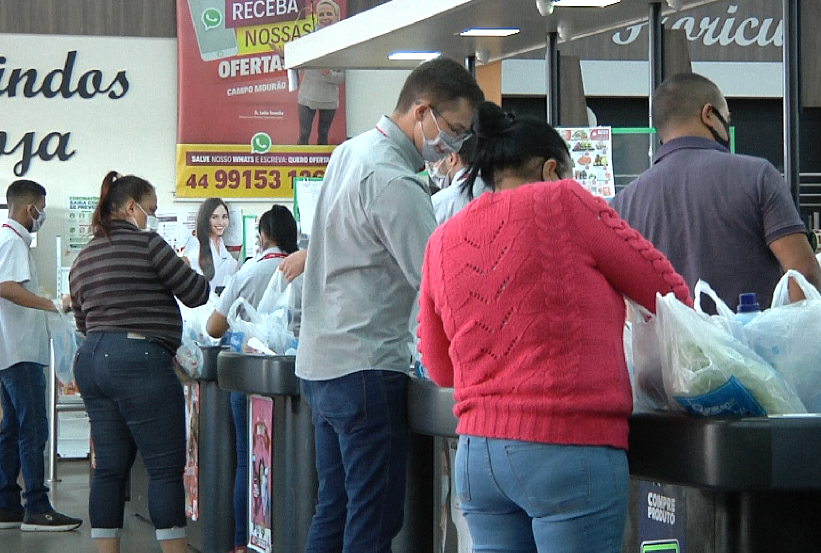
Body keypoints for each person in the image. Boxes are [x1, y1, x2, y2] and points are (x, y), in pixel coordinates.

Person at [417, 102, 693, 553]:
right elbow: (667, 291)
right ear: (551, 169)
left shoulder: (443, 239)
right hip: (568, 448)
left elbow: (440, 369)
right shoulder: (564, 201)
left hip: (478, 458)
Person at [296, 57, 484, 552]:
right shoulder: (395, 181)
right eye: (455, 129)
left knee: (333, 510)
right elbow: (438, 283)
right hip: (366, 369)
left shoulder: (350, 152)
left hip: (321, 365)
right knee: (374, 520)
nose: (456, 145)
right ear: (422, 112)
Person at [70, 171, 210, 553]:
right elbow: (197, 293)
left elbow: (84, 323)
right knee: (164, 470)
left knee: (110, 470)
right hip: (140, 360)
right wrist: (187, 261)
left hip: (93, 362)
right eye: (151, 210)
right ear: (131, 208)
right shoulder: (148, 244)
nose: (152, 218)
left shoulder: (83, 258)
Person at [611, 72, 821, 310]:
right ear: (709, 114)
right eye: (726, 119)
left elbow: (626, 304)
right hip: (752, 346)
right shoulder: (757, 175)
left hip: (665, 347)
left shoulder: (622, 204)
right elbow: (804, 276)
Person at [205, 204, 300, 553]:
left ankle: (243, 542)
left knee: (252, 462)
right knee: (298, 461)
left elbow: (214, 327)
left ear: (262, 236)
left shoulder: (248, 273)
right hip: (298, 379)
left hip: (250, 379)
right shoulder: (306, 271)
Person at [0, 179, 82, 532]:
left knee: (12, 429)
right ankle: (37, 505)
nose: (42, 215)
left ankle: (6, 504)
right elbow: (6, 287)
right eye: (41, 209)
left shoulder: (11, 240)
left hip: (12, 350)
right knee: (33, 429)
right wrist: (52, 304)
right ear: (29, 207)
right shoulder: (12, 241)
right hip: (20, 352)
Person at [297, 0, 344, 145]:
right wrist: (285, 57)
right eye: (321, 14)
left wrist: (328, 74)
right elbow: (295, 67)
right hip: (307, 97)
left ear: (337, 17)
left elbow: (342, 78)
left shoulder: (344, 41)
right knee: (304, 135)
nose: (324, 17)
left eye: (329, 14)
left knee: (323, 135)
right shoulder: (307, 39)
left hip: (329, 100)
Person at [430, 134, 489, 224]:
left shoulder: (440, 203)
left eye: (437, 157)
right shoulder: (497, 187)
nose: (433, 166)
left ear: (451, 158)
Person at [183, 198, 238, 291]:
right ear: (205, 219)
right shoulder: (195, 243)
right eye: (215, 217)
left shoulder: (221, 245)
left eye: (224, 217)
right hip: (203, 303)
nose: (220, 222)